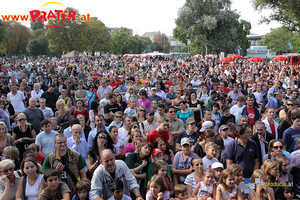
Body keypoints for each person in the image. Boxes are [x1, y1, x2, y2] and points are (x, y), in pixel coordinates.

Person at [42, 133, 87, 197]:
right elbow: (45, 177)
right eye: (60, 143)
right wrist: (56, 171)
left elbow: (83, 175)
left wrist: (82, 190)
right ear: (55, 144)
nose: (63, 144)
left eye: (64, 142)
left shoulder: (76, 156)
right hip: (57, 194)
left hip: (74, 192)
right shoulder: (49, 158)